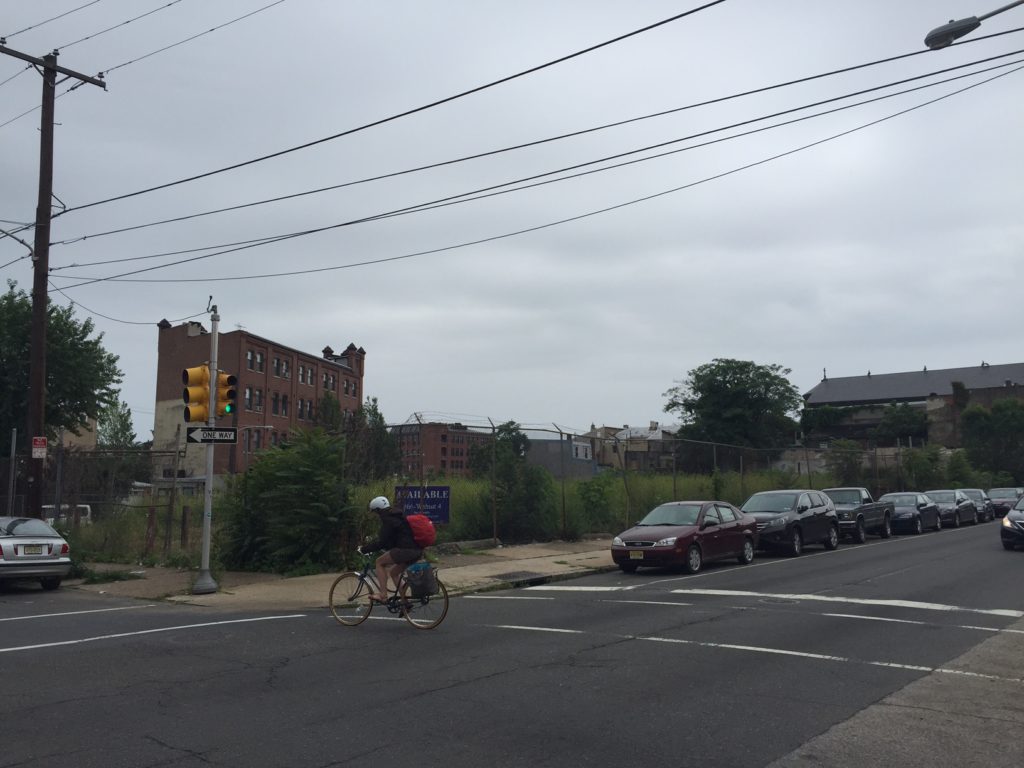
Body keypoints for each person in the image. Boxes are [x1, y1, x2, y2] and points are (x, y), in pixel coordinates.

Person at [361, 496, 422, 603]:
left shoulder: (388, 520)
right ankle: (405, 603)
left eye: (375, 512)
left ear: (378, 510)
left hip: (405, 551)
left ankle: (383, 595)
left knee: (379, 562)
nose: (376, 516)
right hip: (416, 551)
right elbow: (396, 538)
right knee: (394, 573)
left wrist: (365, 549)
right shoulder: (399, 516)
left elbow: (382, 542)